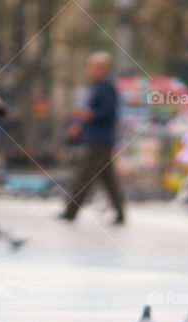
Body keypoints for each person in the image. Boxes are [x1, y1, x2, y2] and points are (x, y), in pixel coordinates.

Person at [59, 52, 125, 225]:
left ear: (102, 69)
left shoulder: (107, 86)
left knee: (84, 175)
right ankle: (120, 214)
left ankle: (70, 212)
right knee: (108, 178)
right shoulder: (98, 86)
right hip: (97, 137)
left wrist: (88, 115)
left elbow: (108, 112)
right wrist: (80, 125)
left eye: (92, 67)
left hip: (100, 140)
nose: (89, 71)